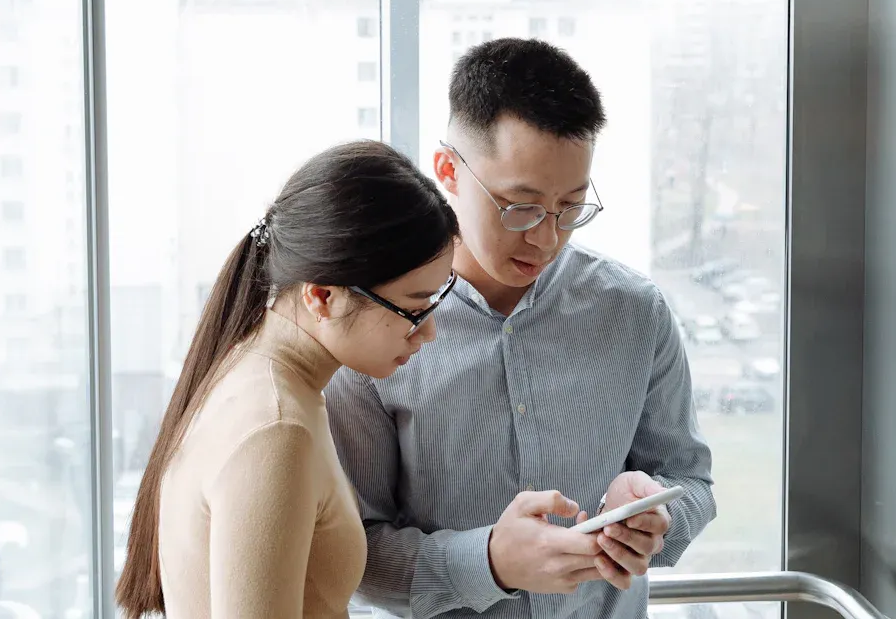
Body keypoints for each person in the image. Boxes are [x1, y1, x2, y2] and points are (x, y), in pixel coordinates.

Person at [325, 38, 717, 619]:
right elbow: (351, 553)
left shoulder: (637, 312)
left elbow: (690, 481)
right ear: (448, 171)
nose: (546, 236)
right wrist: (488, 563)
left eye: (570, 206)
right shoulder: (376, 326)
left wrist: (658, 519)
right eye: (521, 205)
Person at [115, 140, 461, 619]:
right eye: (414, 309)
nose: (429, 332)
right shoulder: (276, 430)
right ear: (323, 296)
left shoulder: (254, 371)